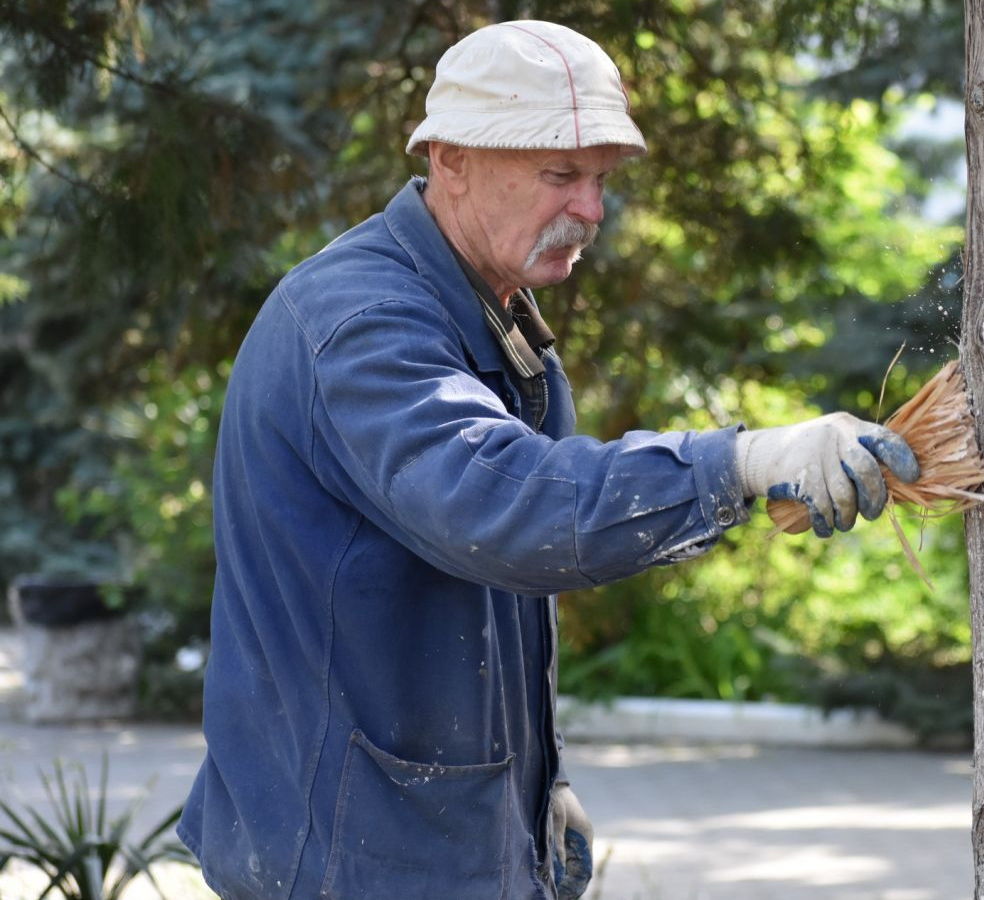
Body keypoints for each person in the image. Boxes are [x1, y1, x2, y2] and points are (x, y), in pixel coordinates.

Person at [175, 19, 919, 900]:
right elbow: (508, 512)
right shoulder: (360, 327)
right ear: (451, 160)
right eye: (561, 175)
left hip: (426, 845)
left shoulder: (490, 315)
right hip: (344, 861)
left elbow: (496, 597)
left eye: (601, 180)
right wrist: (742, 463)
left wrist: (535, 792)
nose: (592, 210)